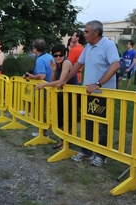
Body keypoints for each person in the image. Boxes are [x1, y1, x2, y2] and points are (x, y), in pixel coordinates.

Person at [61, 20, 120, 167]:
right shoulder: (88, 46)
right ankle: (86, 151)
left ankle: (101, 155)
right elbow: (78, 65)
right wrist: (66, 80)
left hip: (104, 94)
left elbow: (115, 65)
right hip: (89, 93)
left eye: (87, 32)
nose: (84, 34)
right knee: (88, 122)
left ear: (96, 33)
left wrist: (98, 84)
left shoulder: (108, 45)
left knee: (102, 126)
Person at [36, 44, 79, 150]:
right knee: (59, 119)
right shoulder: (58, 64)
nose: (58, 57)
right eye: (56, 55)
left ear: (65, 54)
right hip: (62, 94)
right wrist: (54, 70)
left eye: (61, 55)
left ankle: (66, 142)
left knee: (67, 119)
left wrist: (44, 85)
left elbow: (61, 81)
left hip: (71, 95)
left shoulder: (66, 62)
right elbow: (53, 80)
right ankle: (63, 140)